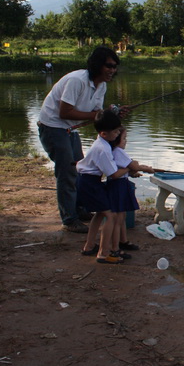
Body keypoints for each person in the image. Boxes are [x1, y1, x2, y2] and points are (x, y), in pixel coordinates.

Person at [37, 47, 127, 233]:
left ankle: (79, 209)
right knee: (67, 172)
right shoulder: (76, 81)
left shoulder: (101, 85)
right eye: (109, 66)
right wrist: (98, 115)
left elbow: (96, 116)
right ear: (97, 65)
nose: (112, 70)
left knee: (81, 169)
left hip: (70, 129)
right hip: (53, 126)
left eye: (115, 67)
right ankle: (69, 219)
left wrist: (111, 115)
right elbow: (65, 112)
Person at [76, 110, 129, 264]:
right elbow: (113, 174)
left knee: (100, 214)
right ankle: (104, 253)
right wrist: (129, 169)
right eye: (116, 131)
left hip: (89, 181)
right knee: (110, 215)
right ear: (104, 133)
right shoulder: (103, 149)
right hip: (89, 183)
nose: (118, 134)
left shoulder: (101, 142)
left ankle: (89, 246)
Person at [108, 127, 154, 253]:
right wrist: (146, 169)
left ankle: (123, 241)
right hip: (118, 186)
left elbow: (129, 168)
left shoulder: (114, 151)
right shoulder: (118, 151)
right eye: (123, 138)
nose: (126, 141)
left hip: (120, 183)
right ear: (116, 140)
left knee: (122, 216)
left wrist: (133, 171)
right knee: (118, 219)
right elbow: (133, 165)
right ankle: (115, 248)